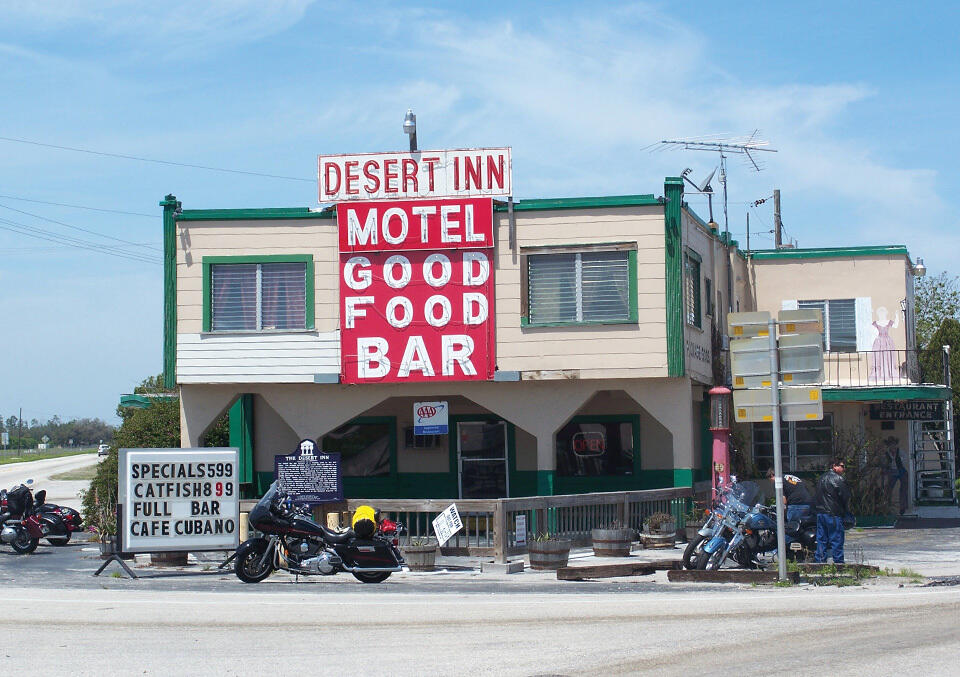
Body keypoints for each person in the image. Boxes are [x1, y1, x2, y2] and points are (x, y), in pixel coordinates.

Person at [814, 458, 851, 564]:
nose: (844, 469)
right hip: (833, 513)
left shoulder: (821, 478)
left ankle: (820, 562)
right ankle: (839, 562)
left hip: (821, 513)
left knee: (821, 539)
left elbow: (816, 496)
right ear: (834, 466)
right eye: (842, 466)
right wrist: (845, 511)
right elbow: (845, 496)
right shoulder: (838, 479)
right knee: (836, 539)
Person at [882, 436, 909, 515]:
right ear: (888, 445)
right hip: (892, 472)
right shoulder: (886, 453)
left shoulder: (900, 451)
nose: (892, 446)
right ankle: (887, 507)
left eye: (893, 444)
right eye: (890, 444)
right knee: (888, 489)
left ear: (896, 444)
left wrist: (900, 462)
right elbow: (884, 462)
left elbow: (906, 458)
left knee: (903, 489)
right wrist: (887, 467)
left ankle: (903, 507)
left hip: (901, 471)